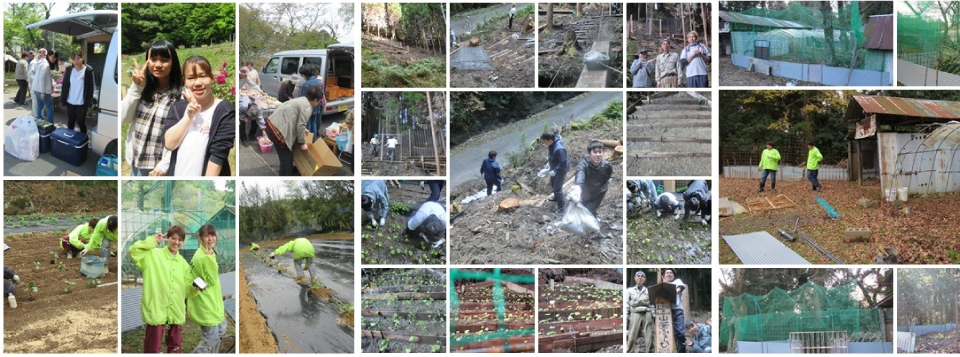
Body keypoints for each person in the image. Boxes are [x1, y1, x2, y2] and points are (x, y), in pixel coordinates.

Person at [163, 56, 235, 176]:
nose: (197, 83)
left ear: (212, 78)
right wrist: (188, 116)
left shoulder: (225, 111)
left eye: (202, 76)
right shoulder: (178, 107)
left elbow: (217, 157)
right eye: (191, 78)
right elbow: (170, 144)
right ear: (184, 81)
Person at [122, 40, 183, 176]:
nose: (158, 65)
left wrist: (165, 164)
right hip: (136, 162)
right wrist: (136, 88)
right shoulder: (142, 89)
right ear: (147, 61)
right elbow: (123, 119)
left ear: (173, 63)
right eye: (153, 59)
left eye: (164, 60)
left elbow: (183, 134)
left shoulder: (181, 96)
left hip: (160, 168)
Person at [130, 225, 193, 353]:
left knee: (175, 346)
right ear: (167, 238)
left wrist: (195, 288)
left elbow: (187, 288)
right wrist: (153, 241)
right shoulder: (153, 255)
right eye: (173, 238)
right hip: (156, 307)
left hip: (175, 309)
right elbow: (134, 251)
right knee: (152, 348)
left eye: (180, 240)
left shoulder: (183, 263)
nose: (176, 242)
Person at [264, 86, 323, 176]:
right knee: (287, 157)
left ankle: (287, 170)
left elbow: (295, 118)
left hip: (270, 124)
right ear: (315, 100)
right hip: (278, 131)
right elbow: (301, 125)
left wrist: (303, 129)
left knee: (286, 155)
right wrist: (302, 143)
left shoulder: (301, 99)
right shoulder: (308, 107)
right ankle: (285, 175)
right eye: (318, 101)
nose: (318, 103)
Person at [188, 224, 227, 353]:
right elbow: (212, 280)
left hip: (212, 302)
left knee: (221, 330)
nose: (211, 239)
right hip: (207, 304)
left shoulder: (205, 252)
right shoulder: (204, 256)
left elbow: (198, 278)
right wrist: (210, 259)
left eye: (212, 235)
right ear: (200, 238)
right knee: (210, 341)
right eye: (207, 236)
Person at [568, 141, 613, 218]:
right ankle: (592, 219)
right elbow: (580, 173)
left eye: (600, 152)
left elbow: (608, 175)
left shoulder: (606, 166)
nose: (598, 155)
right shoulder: (584, 164)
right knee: (584, 207)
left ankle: (591, 224)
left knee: (589, 210)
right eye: (595, 152)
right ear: (589, 153)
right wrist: (578, 187)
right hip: (586, 190)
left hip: (599, 191)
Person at [60, 51, 96, 134]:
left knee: (80, 122)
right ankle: (70, 138)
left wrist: (89, 101)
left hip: (82, 102)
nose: (76, 61)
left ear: (82, 58)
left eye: (78, 59)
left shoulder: (88, 71)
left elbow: (91, 87)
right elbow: (65, 85)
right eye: (73, 59)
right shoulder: (69, 70)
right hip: (70, 101)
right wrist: (63, 98)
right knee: (71, 121)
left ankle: (83, 138)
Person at [538, 130, 568, 213]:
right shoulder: (552, 144)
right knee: (552, 182)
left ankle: (561, 207)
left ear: (550, 140)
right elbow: (553, 156)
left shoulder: (559, 149)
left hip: (560, 170)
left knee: (557, 189)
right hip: (554, 167)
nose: (544, 143)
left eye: (544, 141)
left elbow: (563, 162)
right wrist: (548, 166)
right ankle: (556, 197)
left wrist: (555, 170)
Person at [626, 271, 653, 353]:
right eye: (638, 276)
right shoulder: (629, 290)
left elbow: (651, 304)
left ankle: (650, 352)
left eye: (642, 276)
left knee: (649, 334)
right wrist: (626, 315)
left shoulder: (648, 290)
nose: (640, 277)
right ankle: (629, 352)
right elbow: (627, 303)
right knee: (632, 334)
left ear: (644, 279)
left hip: (646, 311)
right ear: (635, 278)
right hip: (635, 311)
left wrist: (654, 315)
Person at [662, 268, 688, 353]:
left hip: (677, 309)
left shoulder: (677, 281)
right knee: (666, 333)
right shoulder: (661, 285)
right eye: (667, 273)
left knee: (680, 332)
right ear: (664, 275)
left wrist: (673, 292)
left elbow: (680, 288)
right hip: (665, 311)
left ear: (673, 275)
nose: (669, 274)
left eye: (671, 273)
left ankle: (682, 352)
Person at [299, 64, 325, 141]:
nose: (302, 77)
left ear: (305, 74)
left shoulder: (307, 84)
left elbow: (303, 100)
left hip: (309, 107)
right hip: (317, 106)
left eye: (302, 75)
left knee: (308, 124)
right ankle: (314, 140)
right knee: (314, 123)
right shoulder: (317, 81)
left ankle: (308, 141)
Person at [30, 48, 53, 121]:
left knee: (40, 106)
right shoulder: (45, 64)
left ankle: (40, 122)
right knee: (50, 107)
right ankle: (50, 124)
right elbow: (41, 77)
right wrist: (43, 91)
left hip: (36, 88)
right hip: (42, 90)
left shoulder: (38, 62)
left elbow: (39, 75)